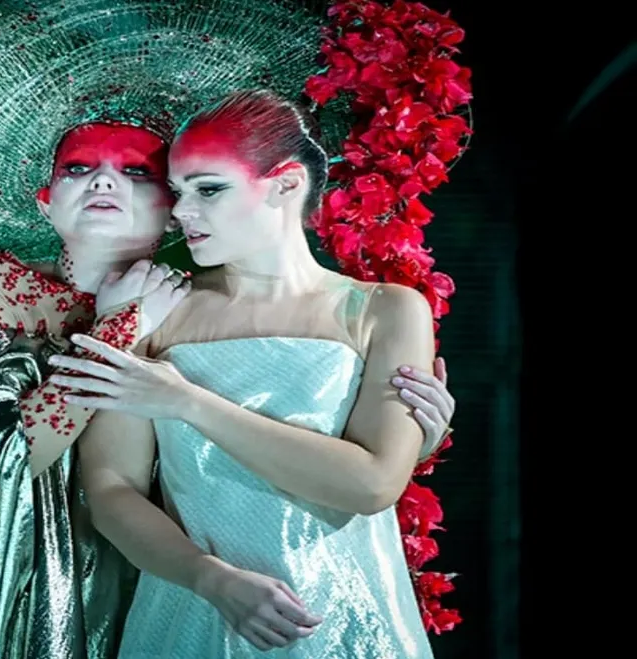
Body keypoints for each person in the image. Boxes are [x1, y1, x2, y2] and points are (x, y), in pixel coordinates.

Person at [0, 3, 456, 658]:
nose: (105, 183)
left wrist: (399, 442)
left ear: (166, 212)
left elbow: (335, 467)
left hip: (158, 579)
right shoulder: (8, 287)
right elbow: (17, 459)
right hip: (12, 568)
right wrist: (124, 327)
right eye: (79, 168)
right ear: (45, 201)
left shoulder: (197, 302)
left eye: (138, 173)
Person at [57, 89, 446, 657]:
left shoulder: (386, 309)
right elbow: (112, 490)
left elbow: (371, 485)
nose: (183, 212)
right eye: (178, 192)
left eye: (209, 189)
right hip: (191, 607)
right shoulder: (153, 308)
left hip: (347, 617)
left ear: (286, 184)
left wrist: (187, 401)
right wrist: (210, 580)